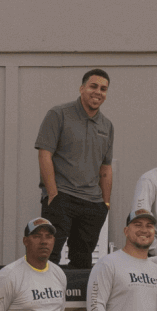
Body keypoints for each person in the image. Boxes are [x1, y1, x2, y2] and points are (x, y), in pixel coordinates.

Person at [33, 70, 114, 270]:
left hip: (92, 204)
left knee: (83, 260)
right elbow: (45, 155)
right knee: (48, 256)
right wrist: (52, 194)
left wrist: (105, 204)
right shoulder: (58, 114)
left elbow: (105, 168)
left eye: (103, 89)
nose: (98, 92)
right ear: (82, 88)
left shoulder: (107, 126)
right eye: (93, 86)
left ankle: (75, 301)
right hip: (62, 197)